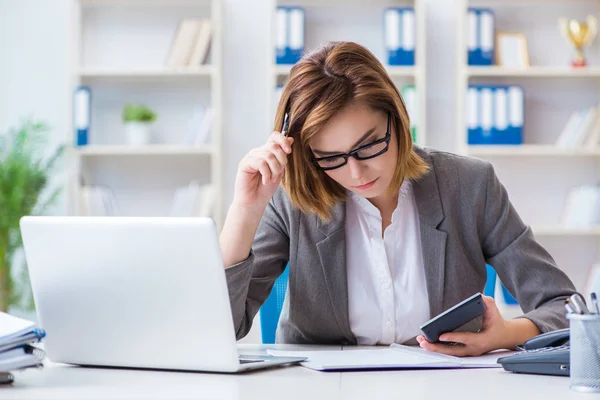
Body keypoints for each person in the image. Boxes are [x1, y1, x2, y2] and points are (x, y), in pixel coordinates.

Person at [220, 41, 577, 356]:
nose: (356, 173)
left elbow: (565, 306)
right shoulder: (292, 199)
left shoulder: (470, 186)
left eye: (370, 145)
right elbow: (220, 329)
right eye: (331, 157)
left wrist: (505, 334)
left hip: (445, 385)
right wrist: (245, 211)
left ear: (398, 118)